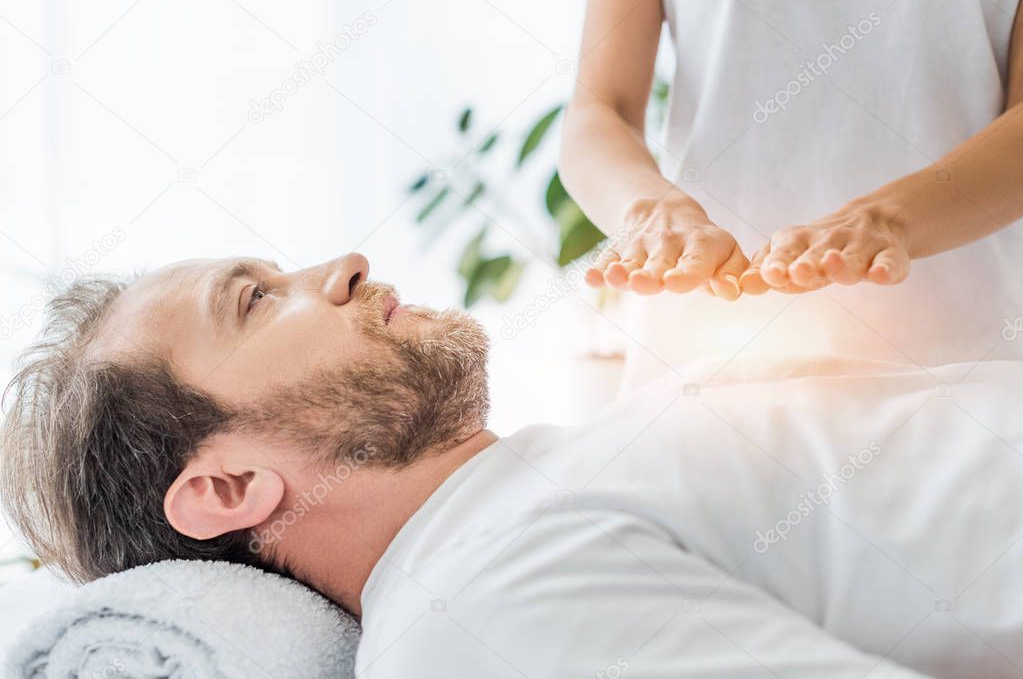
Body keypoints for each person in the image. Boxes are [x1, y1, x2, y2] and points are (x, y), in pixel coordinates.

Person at [2, 253, 1022, 677]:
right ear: (228, 487)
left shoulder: (525, 501)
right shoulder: (481, 609)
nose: (345, 263)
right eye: (257, 300)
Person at [559, 0, 1023, 391]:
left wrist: (890, 219)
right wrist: (650, 212)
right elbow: (601, 109)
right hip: (701, 372)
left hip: (961, 375)